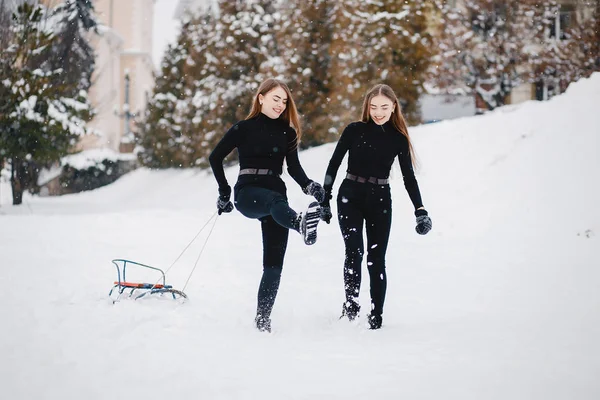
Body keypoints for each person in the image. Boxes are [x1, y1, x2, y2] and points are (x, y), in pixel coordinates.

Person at [209, 78, 325, 333]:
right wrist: (224, 192)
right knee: (275, 202)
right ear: (261, 98)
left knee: (273, 264)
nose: (281, 105)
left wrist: (310, 186)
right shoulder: (243, 128)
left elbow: (293, 169)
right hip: (248, 193)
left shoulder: (287, 133)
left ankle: (263, 319)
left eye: (284, 101)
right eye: (276, 99)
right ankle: (299, 224)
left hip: (276, 198)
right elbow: (215, 157)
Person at [320, 84, 432, 330]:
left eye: (384, 107)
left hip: (380, 199)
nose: (378, 112)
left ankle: (376, 315)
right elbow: (334, 163)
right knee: (354, 251)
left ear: (393, 107)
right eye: (373, 107)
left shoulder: (398, 139)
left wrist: (420, 210)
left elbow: (408, 178)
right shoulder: (354, 130)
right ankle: (351, 307)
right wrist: (324, 198)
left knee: (376, 259)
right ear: (367, 108)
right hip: (350, 195)